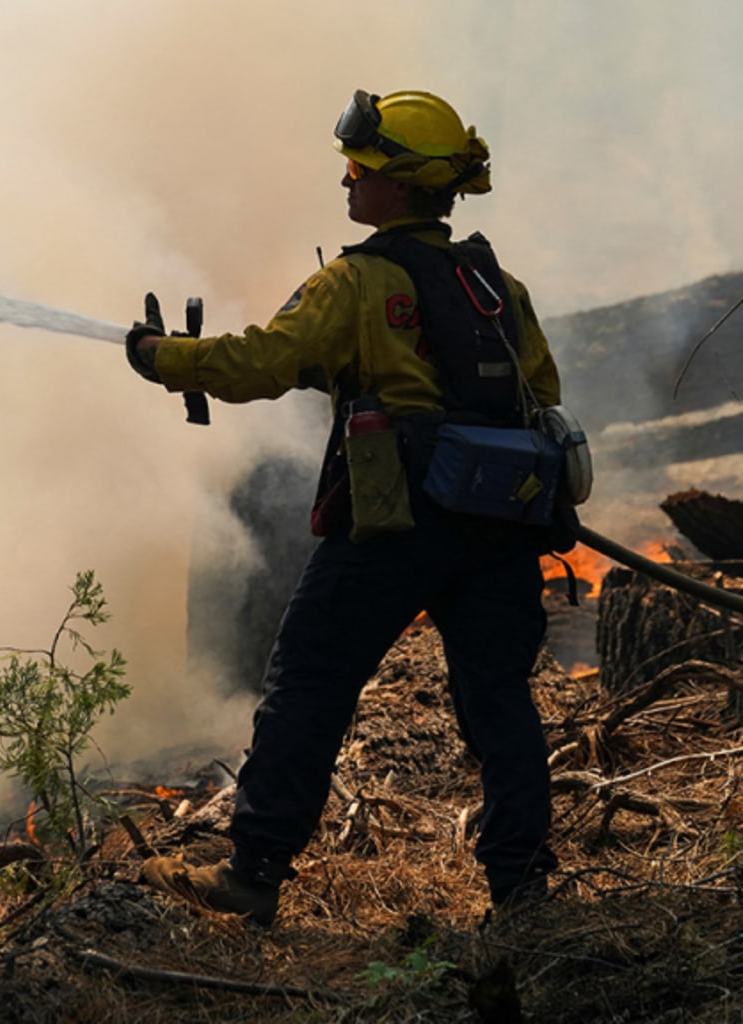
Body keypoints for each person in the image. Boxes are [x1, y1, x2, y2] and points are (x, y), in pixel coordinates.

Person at [126, 89, 562, 927]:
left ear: (399, 185)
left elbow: (260, 362)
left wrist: (159, 357)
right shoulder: (498, 286)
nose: (347, 182)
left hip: (391, 524)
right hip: (501, 524)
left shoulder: (355, 283)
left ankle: (251, 875)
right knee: (500, 703)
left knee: (308, 685)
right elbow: (541, 393)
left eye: (360, 169)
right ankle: (522, 893)